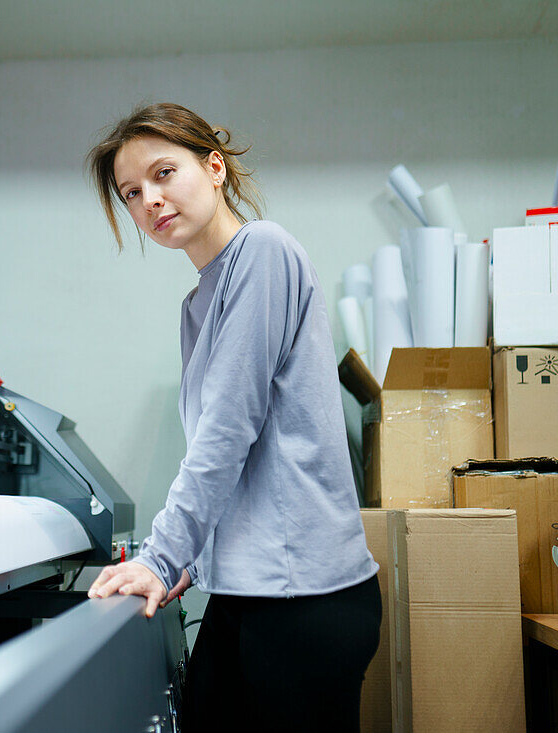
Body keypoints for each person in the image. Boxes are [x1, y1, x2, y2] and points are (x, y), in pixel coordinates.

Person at [85, 102, 381, 731]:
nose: (151, 201)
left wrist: (161, 558)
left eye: (165, 173)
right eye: (132, 193)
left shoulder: (262, 251)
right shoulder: (198, 303)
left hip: (304, 597)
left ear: (214, 167)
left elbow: (228, 430)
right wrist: (190, 563)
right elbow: (237, 459)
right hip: (247, 592)